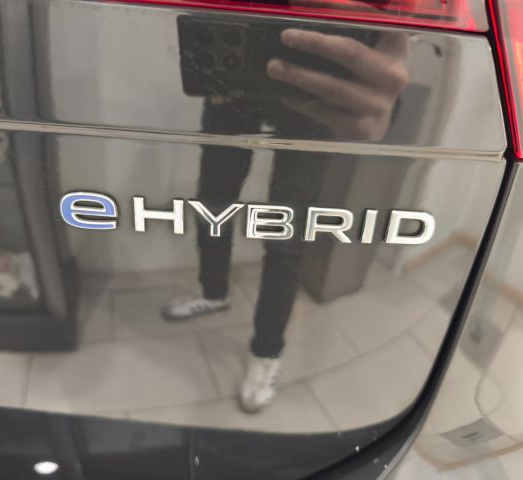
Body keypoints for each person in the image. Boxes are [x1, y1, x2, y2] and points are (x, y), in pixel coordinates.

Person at [164, 26, 409, 412]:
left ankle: (267, 351)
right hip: (233, 70)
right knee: (213, 205)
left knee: (287, 236)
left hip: (312, 82)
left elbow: (387, 38)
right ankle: (214, 293)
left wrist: (386, 98)